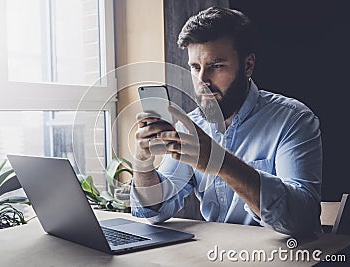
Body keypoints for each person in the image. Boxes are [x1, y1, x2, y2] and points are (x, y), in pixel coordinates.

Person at [130, 7, 322, 236]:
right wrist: (143, 163)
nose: (202, 80)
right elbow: (156, 211)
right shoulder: (191, 127)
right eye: (195, 67)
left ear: (248, 65)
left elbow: (302, 219)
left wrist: (221, 163)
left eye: (216, 66)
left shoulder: (294, 120)